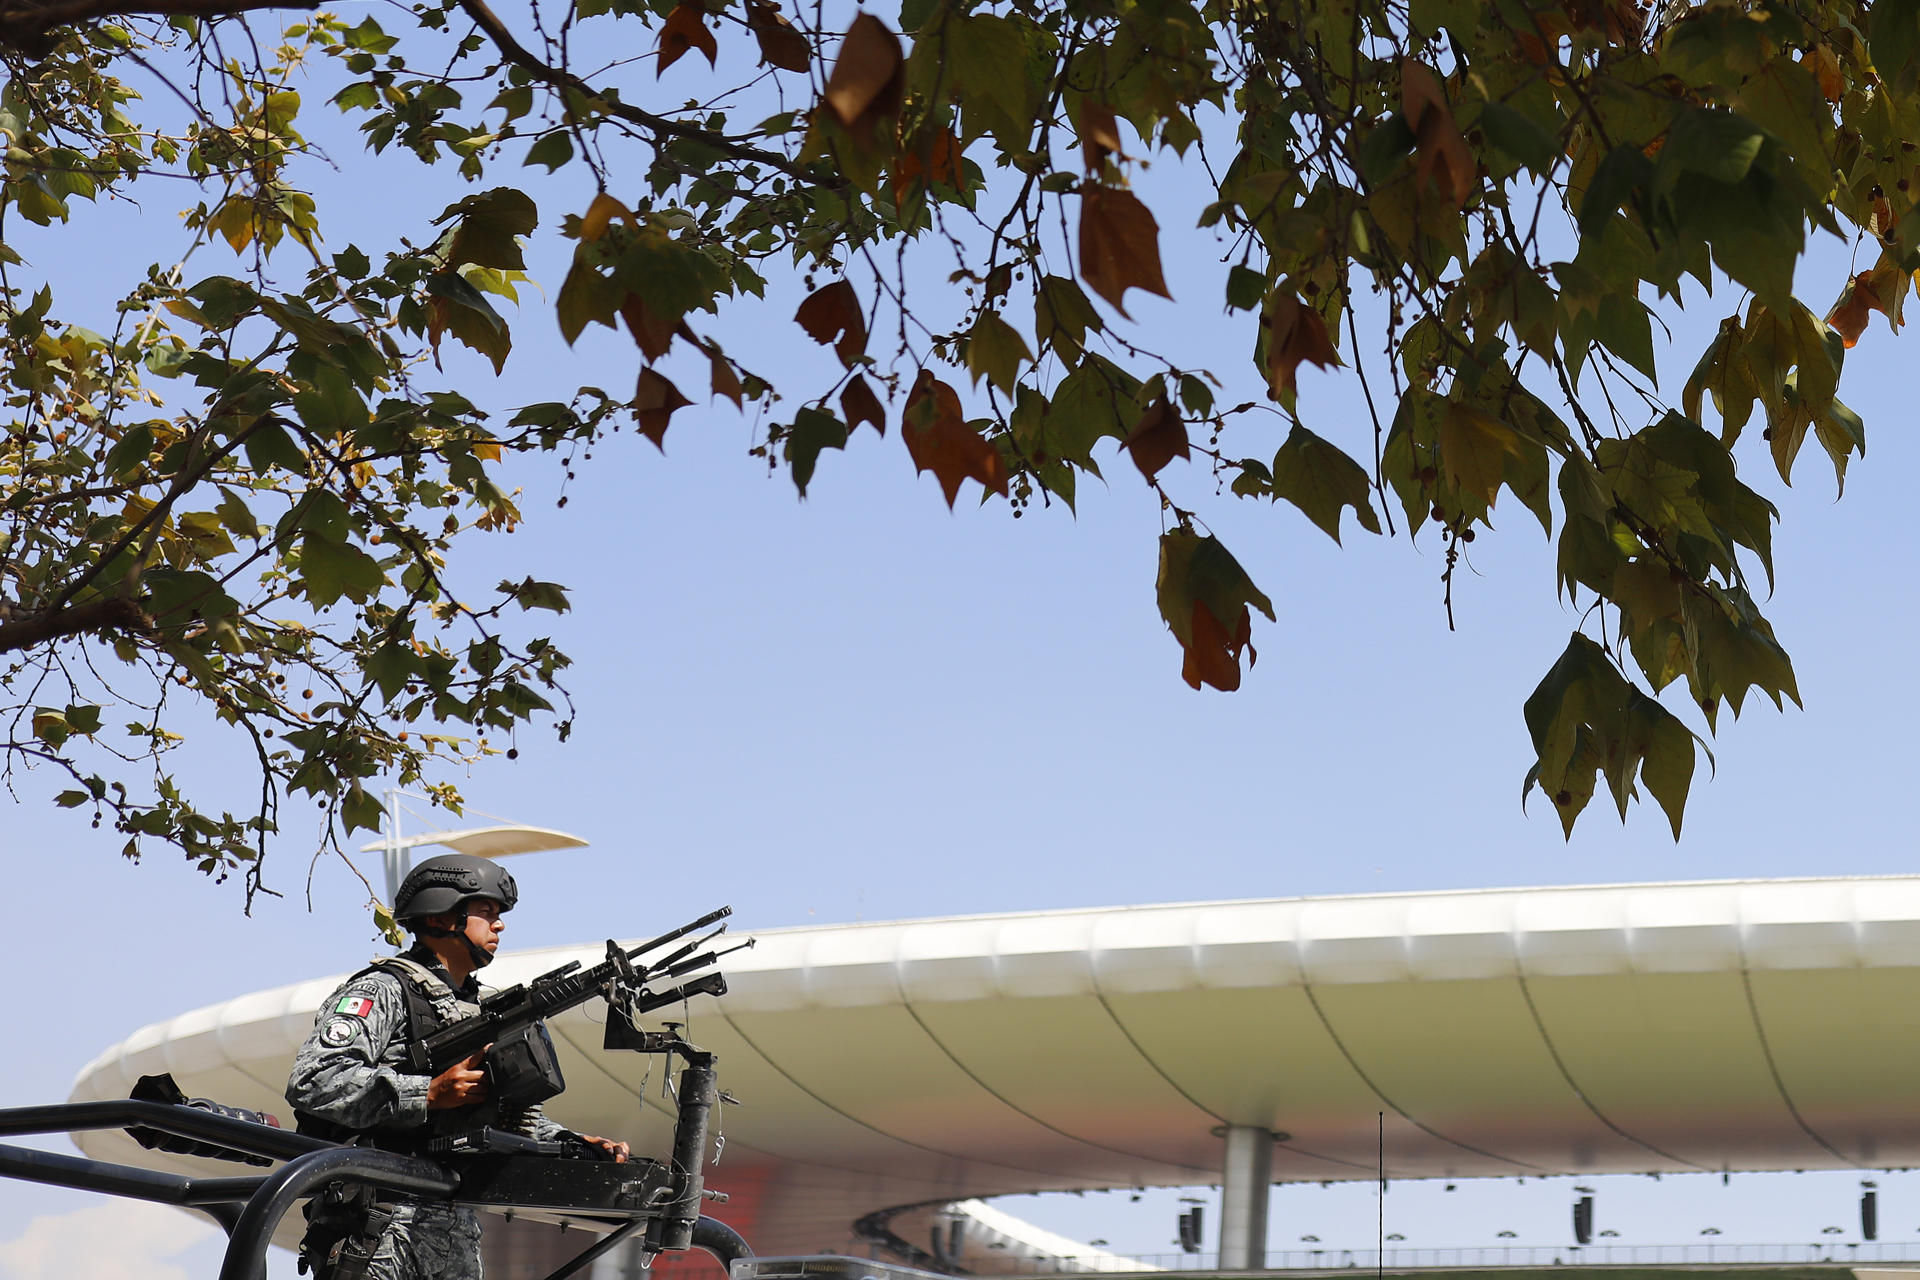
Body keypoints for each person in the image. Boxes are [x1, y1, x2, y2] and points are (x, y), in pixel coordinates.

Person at [286, 853, 629, 1280]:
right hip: (376, 1225)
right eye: (486, 912)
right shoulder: (383, 990)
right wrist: (426, 1094)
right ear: (444, 916)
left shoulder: (480, 1009)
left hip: (454, 1227)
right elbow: (314, 1079)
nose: (499, 924)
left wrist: (573, 1144)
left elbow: (505, 1117)